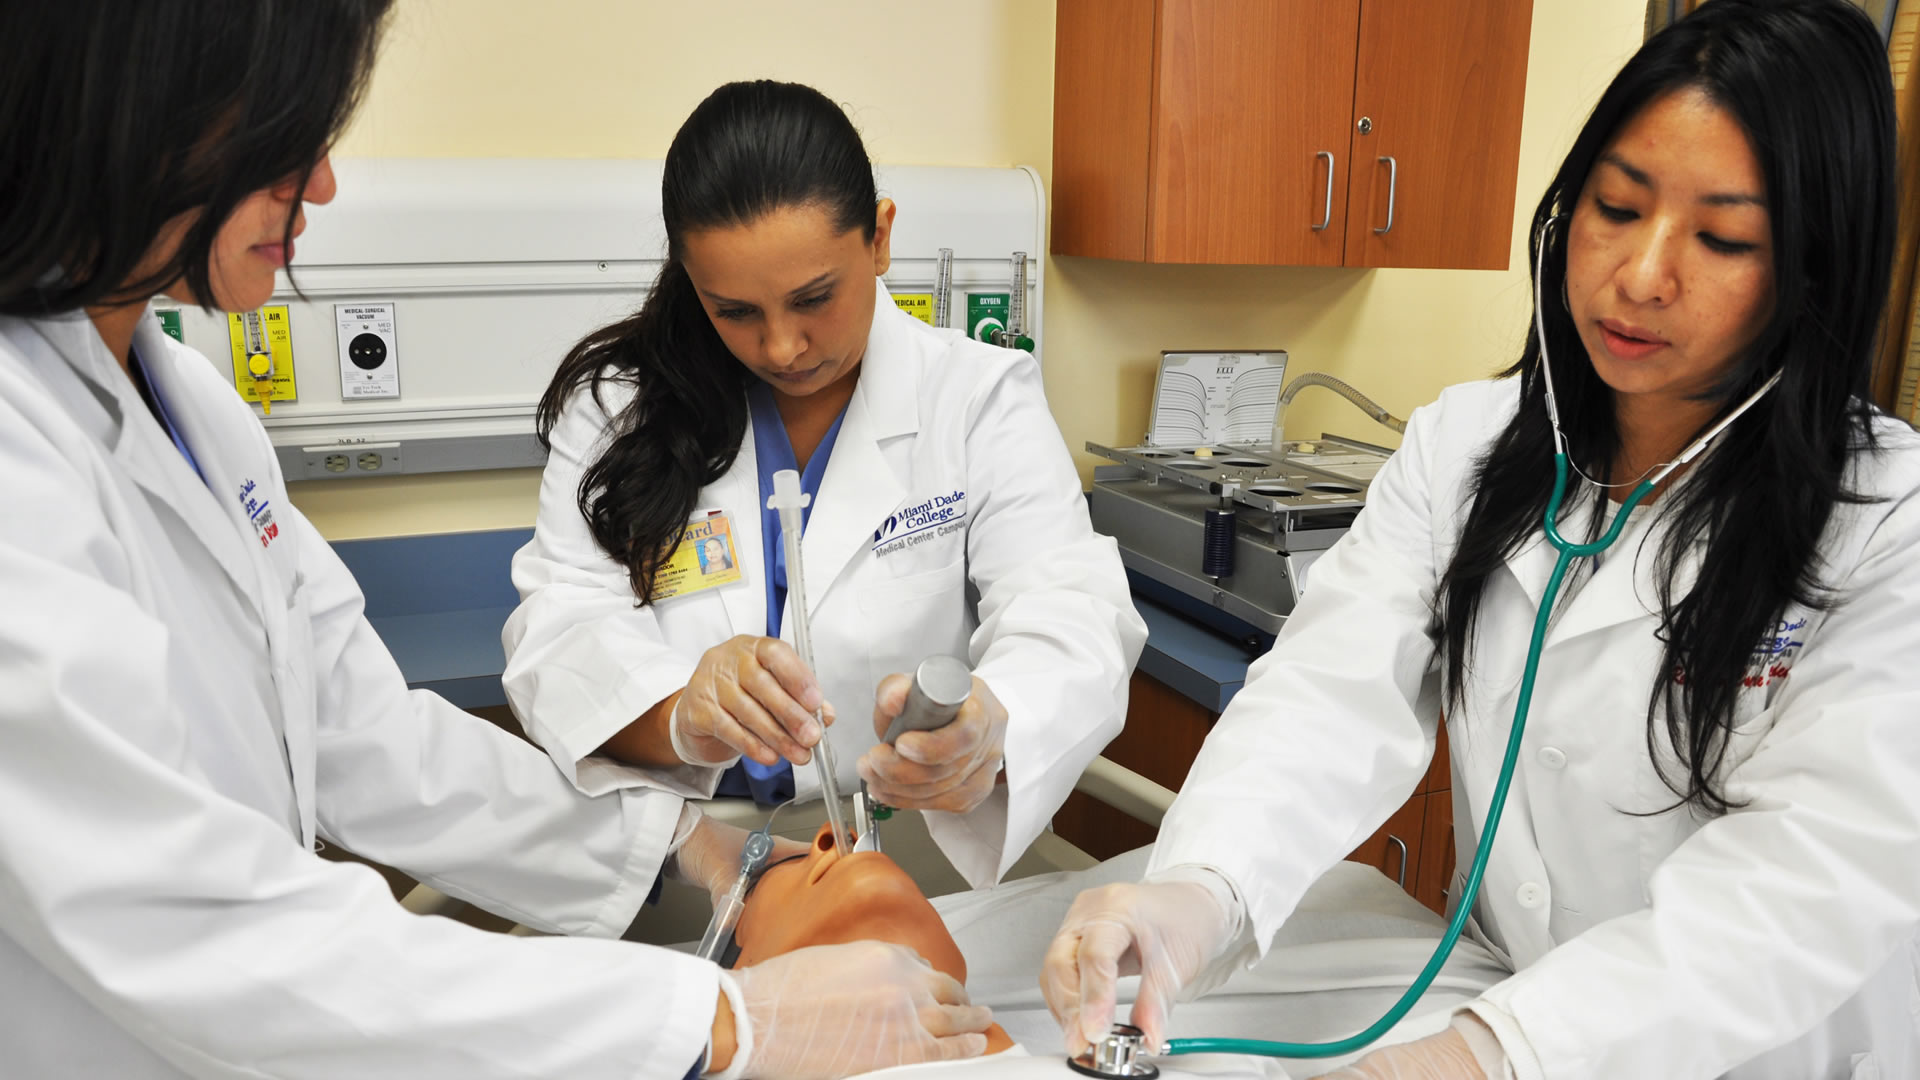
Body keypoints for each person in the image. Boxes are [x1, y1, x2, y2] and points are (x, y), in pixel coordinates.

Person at [0, 4, 990, 1077]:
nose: (321, 184)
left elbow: (368, 737)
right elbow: (187, 924)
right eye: (285, 143)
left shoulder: (195, 408)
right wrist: (726, 1024)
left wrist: (694, 849)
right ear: (132, 120)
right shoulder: (21, 458)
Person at [1040, 2, 1920, 1078]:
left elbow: (1812, 877)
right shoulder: (1467, 445)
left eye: (1724, 239)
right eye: (1616, 206)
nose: (1641, 274)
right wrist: (1199, 892)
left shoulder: (1889, 526)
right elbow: (1331, 692)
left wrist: (1489, 1054)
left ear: (1816, 268)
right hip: (1500, 997)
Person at [503, 79, 1146, 888]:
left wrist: (990, 725)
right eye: (735, 311)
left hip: (904, 855)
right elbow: (558, 631)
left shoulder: (976, 399)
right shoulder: (620, 411)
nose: (781, 348)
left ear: (879, 239)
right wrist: (683, 717)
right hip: (682, 851)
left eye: (814, 298)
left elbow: (1070, 612)